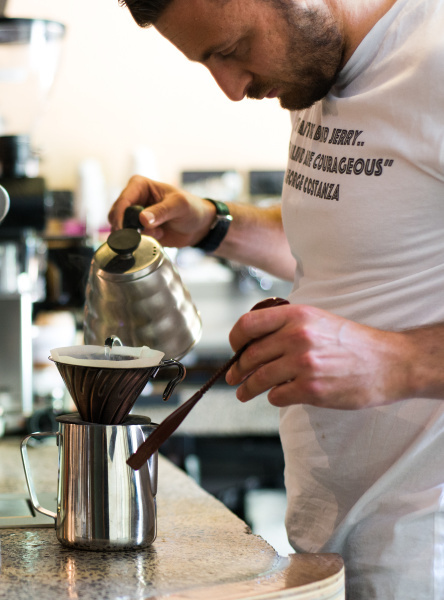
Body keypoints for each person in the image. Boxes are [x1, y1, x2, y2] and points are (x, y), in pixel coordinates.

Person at [108, 0, 444, 597]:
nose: (231, 88)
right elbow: (353, 247)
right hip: (336, 541)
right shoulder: (319, 68)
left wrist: (397, 360)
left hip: (425, 554)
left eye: (231, 50)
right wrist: (214, 224)